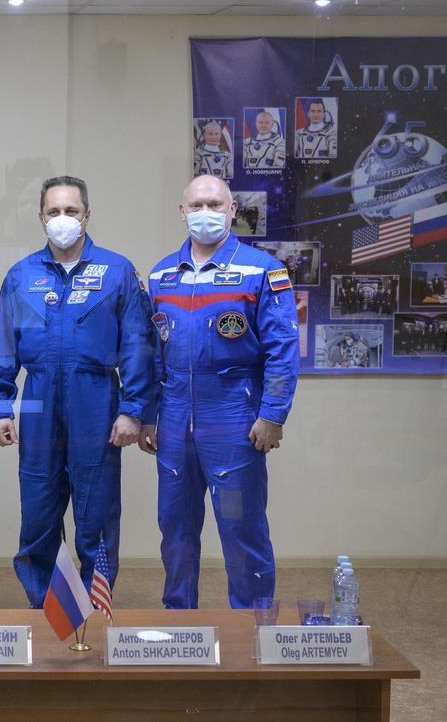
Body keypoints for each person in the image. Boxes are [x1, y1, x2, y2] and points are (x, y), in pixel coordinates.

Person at [0, 175, 154, 607]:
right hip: (39, 400)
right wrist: (0, 407)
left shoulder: (117, 272)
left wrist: (133, 408)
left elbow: (138, 345)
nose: (63, 219)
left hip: (96, 401)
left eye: (71, 211)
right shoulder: (21, 275)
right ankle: (46, 609)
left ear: (86, 215)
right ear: (41, 217)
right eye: (54, 211)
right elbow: (3, 346)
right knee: (39, 512)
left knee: (96, 513)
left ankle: (94, 609)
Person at [139, 174, 299, 609]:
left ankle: (251, 624)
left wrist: (272, 414)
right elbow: (154, 353)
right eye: (196, 206)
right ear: (183, 212)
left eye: (214, 205)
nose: (205, 213)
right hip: (174, 421)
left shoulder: (262, 270)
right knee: (175, 529)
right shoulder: (162, 275)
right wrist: (150, 415)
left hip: (233, 420)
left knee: (240, 528)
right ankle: (179, 623)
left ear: (232, 210)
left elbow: (283, 349)